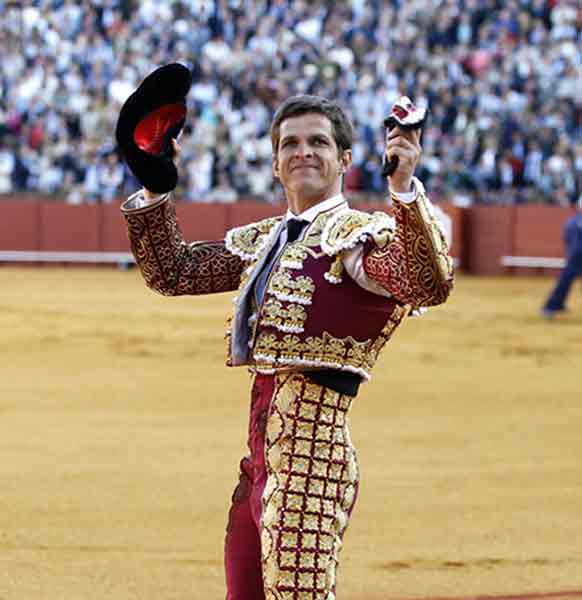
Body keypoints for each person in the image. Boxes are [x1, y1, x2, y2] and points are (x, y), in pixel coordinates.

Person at [120, 94, 454, 600]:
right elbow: (173, 271)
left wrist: (404, 190)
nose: (304, 152)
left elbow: (424, 282)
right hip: (258, 461)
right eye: (290, 144)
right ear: (276, 163)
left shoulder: (361, 236)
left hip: (312, 466)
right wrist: (155, 184)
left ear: (344, 159)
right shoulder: (267, 239)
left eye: (319, 142)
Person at [541, 197, 582, 319]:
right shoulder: (578, 222)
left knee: (565, 282)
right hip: (577, 255)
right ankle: (550, 307)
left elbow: (567, 239)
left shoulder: (573, 221)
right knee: (565, 282)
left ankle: (555, 305)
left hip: (574, 255)